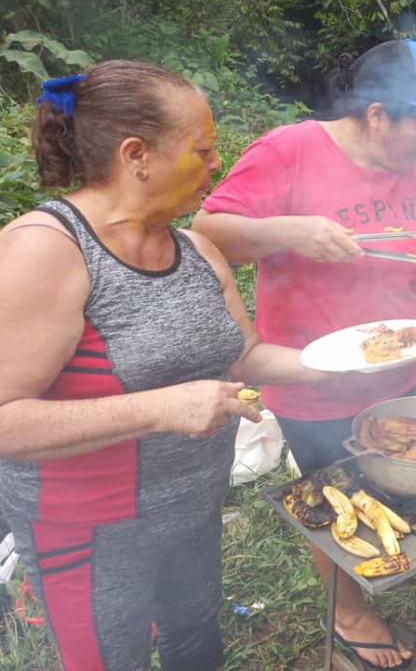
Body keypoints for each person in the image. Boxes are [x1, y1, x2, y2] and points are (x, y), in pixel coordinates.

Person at [191, 38, 416, 670]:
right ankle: (347, 613)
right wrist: (288, 231)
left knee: (390, 476)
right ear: (378, 114)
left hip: (397, 367)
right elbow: (207, 234)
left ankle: (386, 565)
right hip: (312, 376)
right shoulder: (290, 149)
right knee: (334, 498)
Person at [0, 61, 332, 671]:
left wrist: (343, 361)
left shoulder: (196, 248)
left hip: (192, 506)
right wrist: (159, 409)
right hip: (90, 533)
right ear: (136, 155)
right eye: (202, 150)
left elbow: (243, 355)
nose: (216, 164)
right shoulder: (46, 248)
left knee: (196, 638)